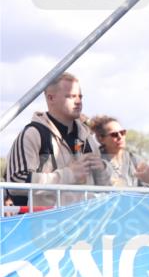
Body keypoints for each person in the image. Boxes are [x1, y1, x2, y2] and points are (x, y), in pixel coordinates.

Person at [4, 72, 106, 207]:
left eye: (80, 96)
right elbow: (16, 183)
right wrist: (69, 174)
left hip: (87, 223)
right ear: (50, 98)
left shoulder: (87, 137)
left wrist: (103, 169)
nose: (78, 101)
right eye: (71, 96)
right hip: (47, 225)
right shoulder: (33, 134)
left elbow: (107, 185)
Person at [90, 115, 149, 187]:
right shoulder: (95, 162)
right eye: (114, 134)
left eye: (122, 132)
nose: (120, 137)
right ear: (101, 139)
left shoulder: (135, 160)